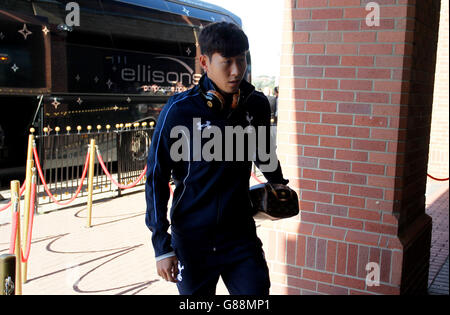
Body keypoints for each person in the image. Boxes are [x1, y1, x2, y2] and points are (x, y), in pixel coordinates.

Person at [145, 22, 288, 295]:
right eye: (227, 61)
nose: (237, 70)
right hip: (191, 241)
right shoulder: (178, 111)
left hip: (240, 237)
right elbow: (155, 178)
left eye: (242, 59)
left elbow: (264, 155)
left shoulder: (256, 104)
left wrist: (279, 185)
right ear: (204, 62)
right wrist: (161, 246)